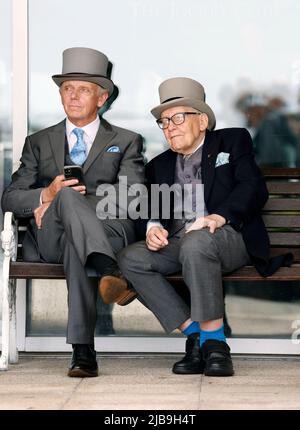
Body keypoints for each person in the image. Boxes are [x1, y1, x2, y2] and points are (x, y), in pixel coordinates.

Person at [118, 77, 293, 377]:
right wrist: (153, 226)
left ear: (201, 121)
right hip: (179, 242)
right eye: (164, 121)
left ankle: (216, 346)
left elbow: (253, 187)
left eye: (177, 117)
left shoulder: (233, 141)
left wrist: (217, 216)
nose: (169, 126)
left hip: (228, 236)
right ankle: (196, 334)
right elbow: (147, 204)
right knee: (132, 258)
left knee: (197, 242)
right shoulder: (159, 164)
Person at [1, 47, 145, 378]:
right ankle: (111, 271)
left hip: (107, 233)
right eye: (67, 88)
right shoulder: (39, 141)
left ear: (102, 97)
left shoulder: (126, 141)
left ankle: (83, 351)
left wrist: (69, 201)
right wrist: (47, 193)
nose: (73, 96)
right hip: (50, 237)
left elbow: (132, 197)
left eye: (83, 89)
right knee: (62, 194)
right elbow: (10, 198)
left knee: (73, 236)